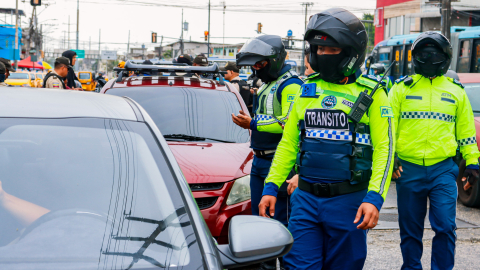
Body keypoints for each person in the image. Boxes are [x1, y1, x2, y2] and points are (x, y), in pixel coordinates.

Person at [258, 9, 394, 269]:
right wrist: (270, 187)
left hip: (349, 203)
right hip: (305, 200)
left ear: (351, 52)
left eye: (330, 50)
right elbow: (288, 144)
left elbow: (385, 150)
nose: (322, 55)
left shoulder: (373, 94)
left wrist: (374, 197)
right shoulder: (306, 91)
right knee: (298, 265)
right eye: (318, 50)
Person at [389, 32, 480, 270]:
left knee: (446, 227)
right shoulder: (400, 90)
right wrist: (391, 161)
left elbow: (466, 132)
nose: (430, 58)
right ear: (415, 58)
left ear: (445, 57)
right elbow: (387, 130)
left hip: (443, 170)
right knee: (410, 230)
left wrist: (472, 163)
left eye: (435, 53)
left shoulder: (456, 91)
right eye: (424, 54)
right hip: (407, 170)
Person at [233, 34, 303, 270]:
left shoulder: (291, 85)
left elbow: (288, 123)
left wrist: (251, 124)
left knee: (279, 224)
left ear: (273, 60)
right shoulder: (269, 84)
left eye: (259, 64)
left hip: (278, 161)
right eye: (253, 65)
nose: (256, 69)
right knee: (259, 223)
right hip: (260, 161)